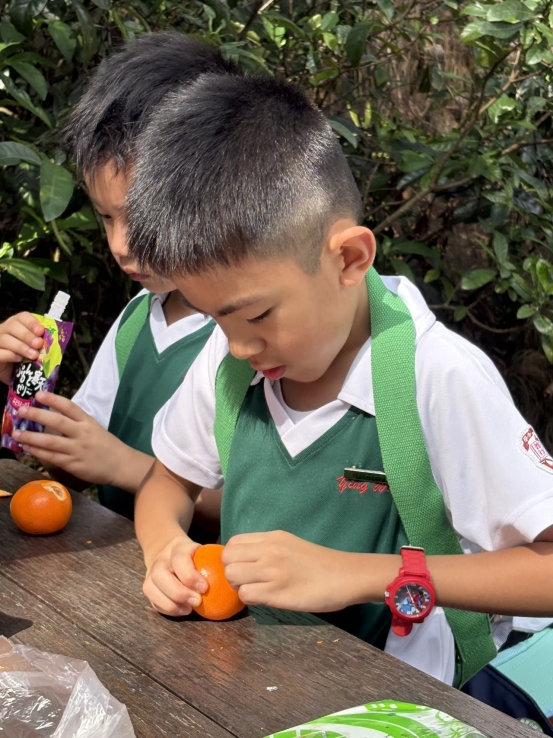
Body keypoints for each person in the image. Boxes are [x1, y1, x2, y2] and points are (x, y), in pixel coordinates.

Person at [125, 73, 553, 685]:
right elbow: (167, 482)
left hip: (407, 705)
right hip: (251, 687)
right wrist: (165, 546)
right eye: (216, 318)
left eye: (258, 316)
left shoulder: (435, 376)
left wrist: (359, 574)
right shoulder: (231, 362)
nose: (240, 345)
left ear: (350, 258)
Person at [0, 33, 239, 524]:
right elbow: (69, 466)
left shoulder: (255, 337)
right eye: (106, 217)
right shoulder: (136, 321)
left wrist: (126, 467)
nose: (120, 245)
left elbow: (260, 510)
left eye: (140, 217)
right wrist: (21, 394)